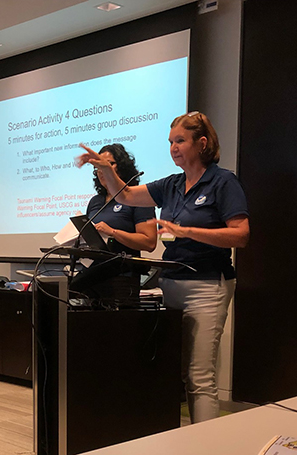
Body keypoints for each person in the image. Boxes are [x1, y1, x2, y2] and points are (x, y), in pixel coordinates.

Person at [76, 112, 250, 423]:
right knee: (176, 371)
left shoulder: (223, 181)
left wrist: (189, 232)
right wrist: (105, 169)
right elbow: (126, 194)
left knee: (200, 377)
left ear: (203, 142)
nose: (173, 147)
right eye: (170, 142)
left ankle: (206, 446)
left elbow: (241, 234)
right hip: (170, 283)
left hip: (207, 285)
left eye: (180, 140)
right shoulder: (171, 185)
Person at [84, 143, 157, 255]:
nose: (103, 169)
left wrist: (113, 233)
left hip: (123, 269)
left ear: (123, 167)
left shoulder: (138, 198)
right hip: (93, 266)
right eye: (99, 166)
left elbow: (149, 243)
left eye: (109, 164)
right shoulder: (95, 201)